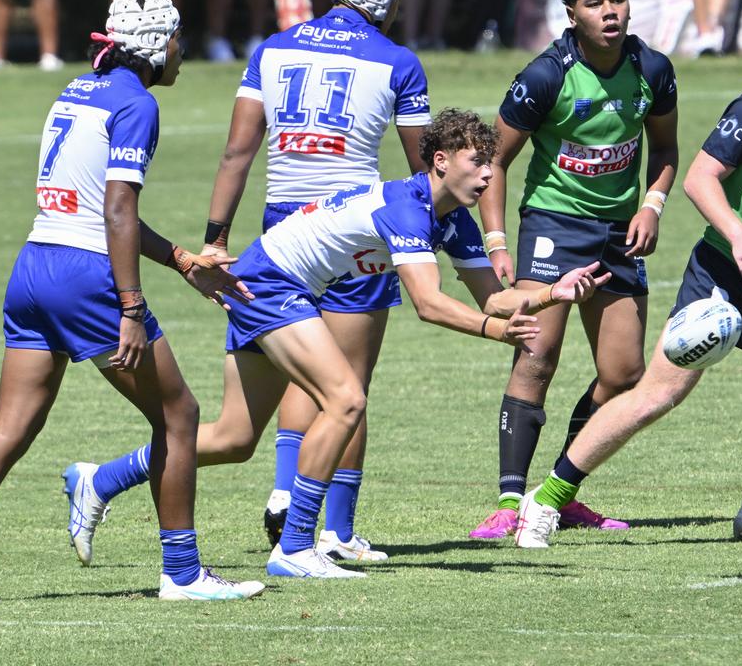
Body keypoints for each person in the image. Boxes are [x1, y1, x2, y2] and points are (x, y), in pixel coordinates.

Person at [83, 108, 611, 580]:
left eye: (492, 164)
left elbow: (494, 298)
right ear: (442, 161)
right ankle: (295, 547)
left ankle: (100, 478)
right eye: (479, 162)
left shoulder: (455, 222)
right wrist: (495, 332)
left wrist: (551, 293)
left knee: (234, 439)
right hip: (269, 284)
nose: (491, 174)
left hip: (267, 281)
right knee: (346, 399)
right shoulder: (407, 208)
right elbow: (428, 304)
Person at [63, 0, 429, 567]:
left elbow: (238, 152)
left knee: (243, 428)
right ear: (389, 1)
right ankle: (330, 530)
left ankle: (107, 478)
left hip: (277, 245)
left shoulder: (272, 48)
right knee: (346, 388)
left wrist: (215, 237)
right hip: (354, 241)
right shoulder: (398, 61)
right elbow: (427, 171)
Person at [0, 0, 264, 605]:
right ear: (155, 45)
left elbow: (98, 208)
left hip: (34, 266)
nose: (181, 50)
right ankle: (182, 574)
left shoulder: (75, 89)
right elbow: (117, 210)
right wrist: (130, 307)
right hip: (85, 277)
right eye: (177, 38)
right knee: (178, 416)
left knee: (9, 428)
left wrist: (181, 259)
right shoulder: (139, 106)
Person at [516, 0, 742, 549]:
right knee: (656, 396)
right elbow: (700, 177)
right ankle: (548, 498)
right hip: (723, 277)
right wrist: (740, 234)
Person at [471, 0, 679, 539]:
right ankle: (511, 503)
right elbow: (494, 159)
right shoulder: (545, 76)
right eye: (595, 3)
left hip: (619, 234)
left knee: (624, 372)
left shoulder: (653, 70)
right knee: (537, 357)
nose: (609, 12)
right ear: (572, 15)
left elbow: (664, 150)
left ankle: (556, 493)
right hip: (554, 227)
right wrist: (496, 242)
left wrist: (651, 205)